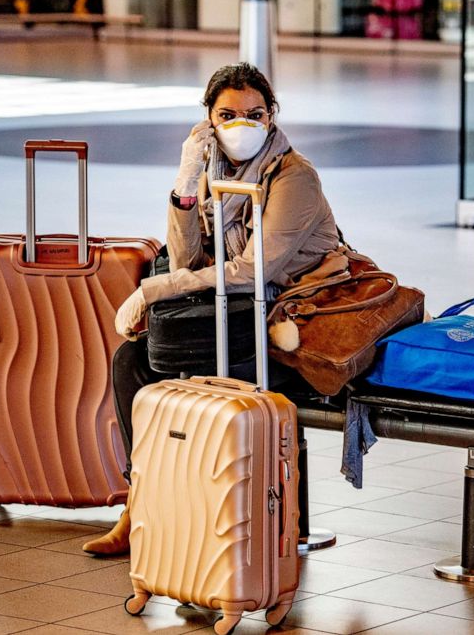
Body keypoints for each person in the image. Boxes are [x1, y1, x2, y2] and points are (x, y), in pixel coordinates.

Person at [81, 63, 340, 556]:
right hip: (241, 321)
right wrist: (185, 182)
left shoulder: (294, 178)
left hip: (290, 329)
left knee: (180, 368)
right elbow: (184, 259)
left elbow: (249, 271)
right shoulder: (213, 172)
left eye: (255, 114)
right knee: (131, 362)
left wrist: (154, 291)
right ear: (209, 119)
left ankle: (175, 514)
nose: (242, 125)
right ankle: (141, 501)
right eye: (228, 115)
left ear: (272, 115)